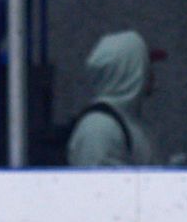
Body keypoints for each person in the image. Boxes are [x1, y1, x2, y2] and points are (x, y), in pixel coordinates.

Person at [66, 30, 158, 168]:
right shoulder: (99, 128)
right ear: (129, 72)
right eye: (145, 67)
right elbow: (99, 181)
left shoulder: (128, 122)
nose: (152, 74)